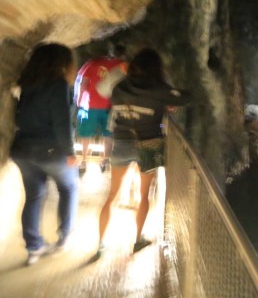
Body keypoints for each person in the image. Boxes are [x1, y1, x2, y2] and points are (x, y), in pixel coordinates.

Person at [94, 48, 190, 260]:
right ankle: (137, 240)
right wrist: (168, 99)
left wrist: (119, 71)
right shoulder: (159, 89)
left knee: (112, 196)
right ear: (156, 69)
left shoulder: (120, 87)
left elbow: (101, 90)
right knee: (143, 196)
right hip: (148, 145)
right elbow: (184, 97)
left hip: (121, 142)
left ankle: (100, 245)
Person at [10, 43, 79, 266]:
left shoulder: (28, 83)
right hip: (51, 150)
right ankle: (64, 238)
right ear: (61, 63)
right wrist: (70, 152)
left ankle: (34, 247)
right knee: (69, 188)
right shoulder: (58, 85)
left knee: (34, 195)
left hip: (22, 148)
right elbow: (62, 122)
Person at [73, 44, 127, 172]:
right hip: (111, 106)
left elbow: (83, 82)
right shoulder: (122, 65)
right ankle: (105, 160)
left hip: (90, 105)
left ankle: (84, 161)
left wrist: (79, 100)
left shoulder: (92, 63)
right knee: (108, 134)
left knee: (86, 134)